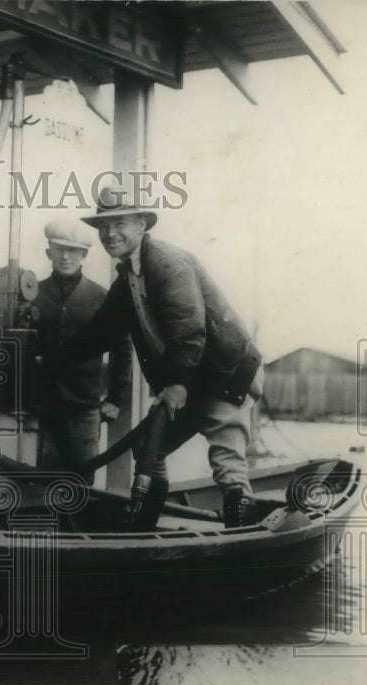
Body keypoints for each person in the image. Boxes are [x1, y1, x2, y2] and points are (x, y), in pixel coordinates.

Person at [60, 188, 264, 528]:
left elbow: (189, 328)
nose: (110, 234)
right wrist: (50, 358)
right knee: (149, 449)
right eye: (103, 227)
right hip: (185, 381)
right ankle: (144, 529)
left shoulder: (169, 263)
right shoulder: (128, 277)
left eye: (119, 223)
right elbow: (101, 333)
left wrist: (176, 384)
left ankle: (244, 543)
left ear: (142, 223)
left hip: (223, 377)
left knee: (226, 462)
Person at [32, 219, 132, 485]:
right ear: (48, 252)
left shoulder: (101, 297)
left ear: (84, 255)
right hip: (41, 408)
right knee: (41, 481)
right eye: (59, 249)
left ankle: (78, 527)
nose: (65, 256)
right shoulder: (32, 295)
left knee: (81, 483)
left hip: (84, 409)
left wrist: (115, 398)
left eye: (73, 251)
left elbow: (123, 348)